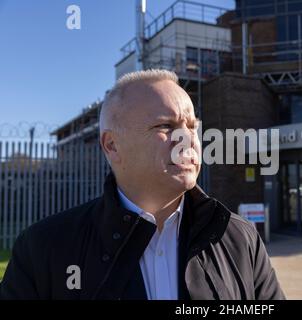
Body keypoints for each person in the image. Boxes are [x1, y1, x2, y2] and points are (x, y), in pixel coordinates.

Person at [0, 69, 285, 300]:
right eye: (165, 126)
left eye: (192, 126)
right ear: (112, 145)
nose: (188, 139)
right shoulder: (43, 250)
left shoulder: (238, 238)